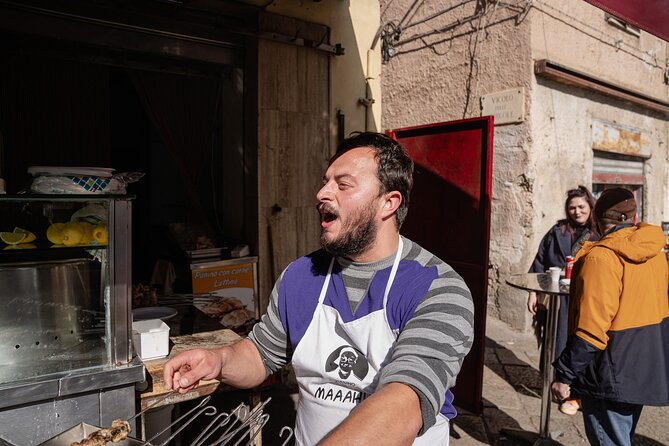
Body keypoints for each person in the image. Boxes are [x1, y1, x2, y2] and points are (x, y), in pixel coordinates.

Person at [164, 132, 475, 445]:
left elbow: (405, 402)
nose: (321, 193)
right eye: (326, 181)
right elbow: (261, 354)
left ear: (388, 203)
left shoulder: (437, 288)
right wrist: (220, 361)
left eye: (343, 184)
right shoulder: (301, 276)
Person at [551, 188, 669, 446]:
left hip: (611, 370)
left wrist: (564, 375)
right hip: (643, 366)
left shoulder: (601, 257)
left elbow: (591, 330)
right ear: (633, 216)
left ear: (596, 217)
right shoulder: (656, 253)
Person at [527, 185, 599, 415]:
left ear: (590, 207)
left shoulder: (598, 234)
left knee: (580, 344)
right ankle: (554, 383)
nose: (577, 212)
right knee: (554, 342)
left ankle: (576, 393)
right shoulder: (557, 231)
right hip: (557, 300)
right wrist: (533, 291)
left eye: (581, 207)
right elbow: (539, 261)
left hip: (584, 300)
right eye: (572, 208)